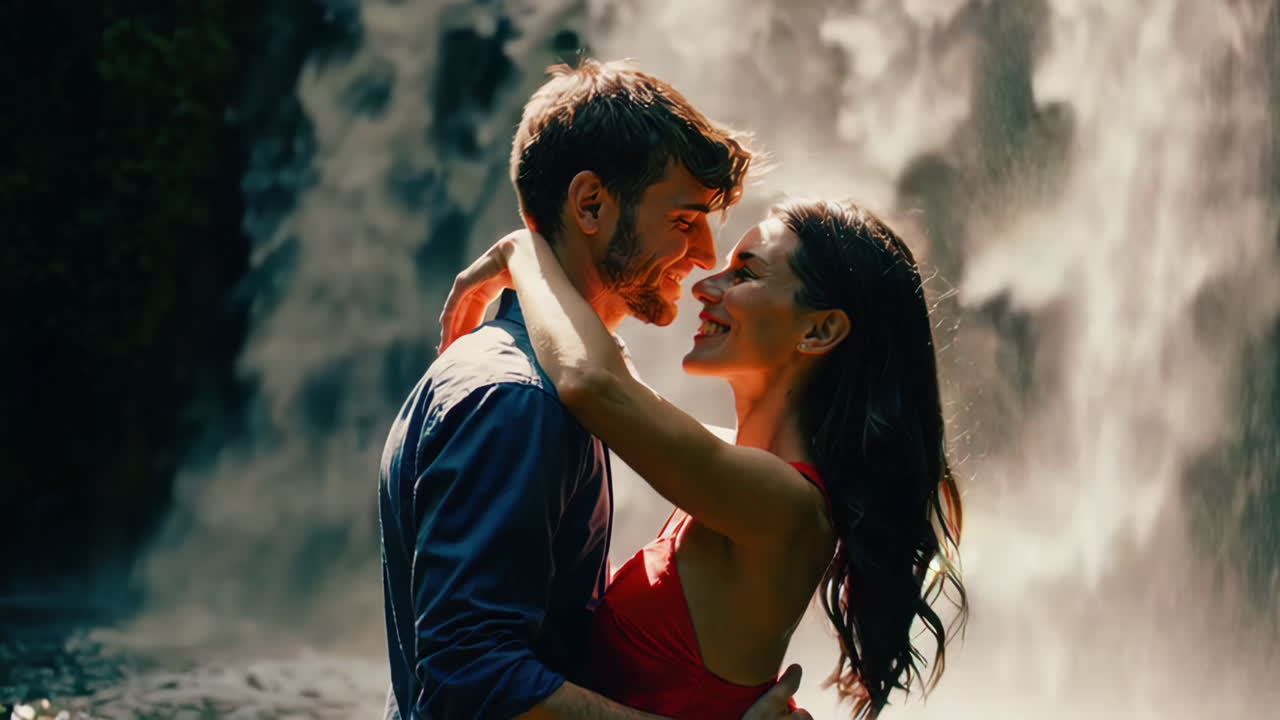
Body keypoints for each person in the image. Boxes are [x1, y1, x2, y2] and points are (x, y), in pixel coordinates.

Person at [379, 59, 808, 720]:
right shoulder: (522, 400)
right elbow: (473, 679)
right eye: (685, 220)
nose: (702, 259)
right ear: (590, 205)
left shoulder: (539, 386)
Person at [439, 199, 969, 719]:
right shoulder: (735, 476)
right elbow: (617, 380)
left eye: (745, 274)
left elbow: (591, 383)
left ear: (819, 330)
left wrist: (525, 254)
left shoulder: (783, 505)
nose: (703, 285)